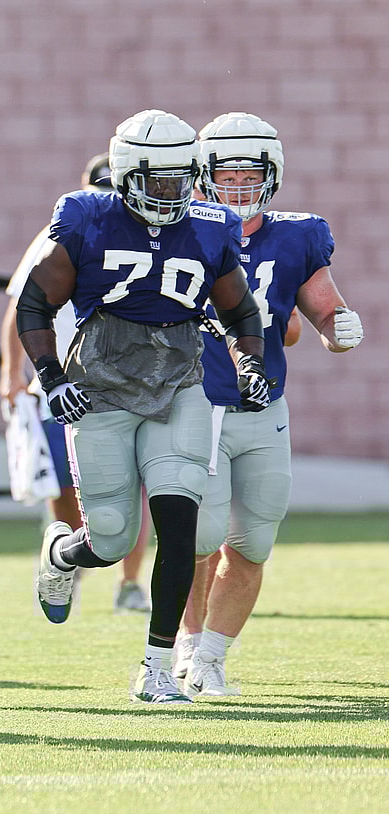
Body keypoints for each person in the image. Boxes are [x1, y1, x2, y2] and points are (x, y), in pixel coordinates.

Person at [17, 109, 271, 705]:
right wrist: (51, 378)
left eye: (182, 178)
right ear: (128, 175)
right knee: (109, 536)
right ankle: (62, 551)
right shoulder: (85, 216)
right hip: (100, 383)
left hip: (178, 381)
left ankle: (155, 667)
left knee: (178, 525)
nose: (172, 191)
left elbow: (240, 312)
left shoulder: (209, 226)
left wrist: (248, 363)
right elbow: (32, 305)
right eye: (159, 179)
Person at [173, 112, 364, 696]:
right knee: (196, 539)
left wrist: (336, 324)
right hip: (193, 404)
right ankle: (182, 642)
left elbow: (318, 310)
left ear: (271, 175)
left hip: (263, 406)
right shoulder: (182, 230)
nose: (236, 184)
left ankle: (211, 657)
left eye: (247, 174)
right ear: (203, 175)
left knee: (253, 542)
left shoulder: (297, 234)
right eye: (224, 174)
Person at [0, 154, 153, 614]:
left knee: (138, 488)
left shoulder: (152, 235)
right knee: (65, 489)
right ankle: (67, 565)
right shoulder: (62, 233)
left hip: (132, 383)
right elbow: (22, 309)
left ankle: (129, 584)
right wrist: (13, 372)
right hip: (65, 382)